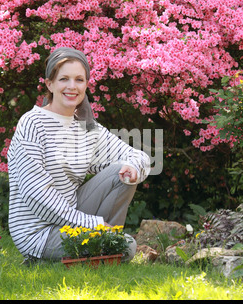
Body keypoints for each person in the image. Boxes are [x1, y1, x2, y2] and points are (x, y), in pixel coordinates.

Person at [8, 47, 150, 263]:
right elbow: (35, 195)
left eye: (79, 80)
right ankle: (96, 247)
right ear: (50, 84)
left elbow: (137, 156)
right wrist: (93, 225)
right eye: (64, 79)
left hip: (71, 220)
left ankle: (102, 247)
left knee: (121, 172)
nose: (72, 87)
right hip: (38, 233)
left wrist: (134, 167)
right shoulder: (32, 124)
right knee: (127, 246)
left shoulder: (86, 128)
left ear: (86, 84)